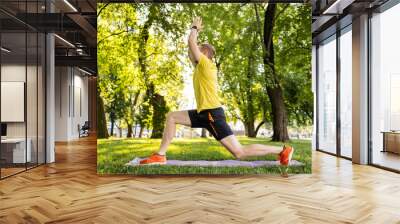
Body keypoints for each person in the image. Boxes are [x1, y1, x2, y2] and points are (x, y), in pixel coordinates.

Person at [139, 17, 294, 166]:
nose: (194, 52)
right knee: (172, 117)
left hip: (212, 114)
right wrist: (193, 41)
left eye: (198, 50)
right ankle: (160, 155)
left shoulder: (206, 64)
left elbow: (191, 42)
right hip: (203, 112)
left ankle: (282, 150)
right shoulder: (201, 68)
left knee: (239, 152)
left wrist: (194, 28)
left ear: (205, 53)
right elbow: (190, 48)